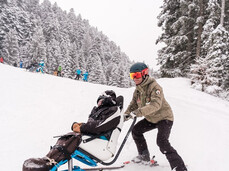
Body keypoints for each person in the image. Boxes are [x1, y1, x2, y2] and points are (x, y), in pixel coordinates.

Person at [23, 90, 122, 171]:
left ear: (107, 100)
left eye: (101, 101)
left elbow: (99, 126)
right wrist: (80, 126)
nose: (99, 103)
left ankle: (50, 164)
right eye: (98, 101)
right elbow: (94, 126)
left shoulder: (113, 110)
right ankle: (48, 160)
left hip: (102, 144)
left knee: (73, 138)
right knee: (68, 136)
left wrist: (81, 127)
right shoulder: (100, 111)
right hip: (95, 139)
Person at [124, 62, 187, 171]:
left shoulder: (155, 87)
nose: (134, 79)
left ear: (144, 74)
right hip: (151, 118)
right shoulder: (138, 90)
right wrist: (125, 116)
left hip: (164, 118)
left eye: (136, 75)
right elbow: (133, 104)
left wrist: (137, 112)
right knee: (136, 131)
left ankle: (179, 167)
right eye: (132, 76)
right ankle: (144, 156)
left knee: (162, 141)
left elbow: (155, 105)